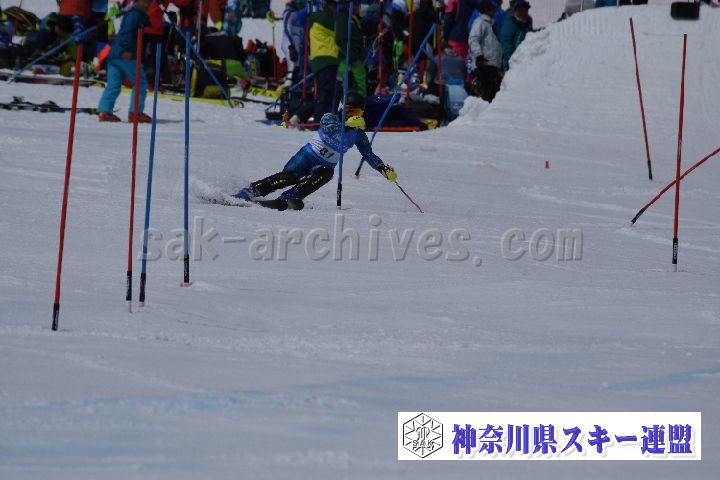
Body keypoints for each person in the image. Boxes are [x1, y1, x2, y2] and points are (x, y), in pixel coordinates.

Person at [233, 93, 398, 210]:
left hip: (325, 165)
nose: (353, 116)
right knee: (289, 177)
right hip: (306, 157)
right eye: (350, 111)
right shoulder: (330, 117)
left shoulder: (358, 134)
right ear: (341, 109)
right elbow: (328, 127)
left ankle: (289, 198)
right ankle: (251, 191)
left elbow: (368, 154)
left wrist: (382, 168)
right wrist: (347, 124)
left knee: (326, 173)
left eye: (358, 113)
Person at [97, 0, 152, 123]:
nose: (147, 4)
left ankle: (105, 111)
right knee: (140, 82)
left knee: (114, 84)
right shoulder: (134, 14)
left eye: (150, 2)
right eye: (145, 2)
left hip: (114, 55)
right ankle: (135, 113)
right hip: (126, 54)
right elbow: (127, 32)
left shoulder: (134, 14)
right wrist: (126, 49)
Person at [308, 0, 339, 122]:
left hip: (318, 59)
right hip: (327, 58)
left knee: (323, 92)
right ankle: (320, 120)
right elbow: (340, 32)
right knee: (326, 93)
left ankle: (319, 118)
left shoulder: (316, 19)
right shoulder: (325, 19)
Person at [468, 0, 502, 101]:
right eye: (492, 9)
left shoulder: (490, 24)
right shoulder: (480, 22)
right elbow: (473, 39)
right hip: (484, 64)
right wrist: (479, 55)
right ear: (486, 9)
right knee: (487, 94)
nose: (494, 11)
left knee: (493, 93)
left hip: (492, 65)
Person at [335, 1, 365, 97]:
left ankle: (359, 105)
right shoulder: (343, 18)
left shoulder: (352, 18)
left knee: (359, 89)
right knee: (353, 91)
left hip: (354, 59)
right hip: (348, 61)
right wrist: (353, 58)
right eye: (356, 4)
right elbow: (341, 40)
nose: (358, 7)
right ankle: (352, 106)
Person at [500, 0, 532, 71]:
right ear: (515, 10)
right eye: (520, 10)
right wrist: (511, 61)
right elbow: (506, 44)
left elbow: (532, 36)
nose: (524, 12)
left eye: (525, 10)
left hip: (525, 61)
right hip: (513, 63)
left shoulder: (527, 23)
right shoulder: (509, 24)